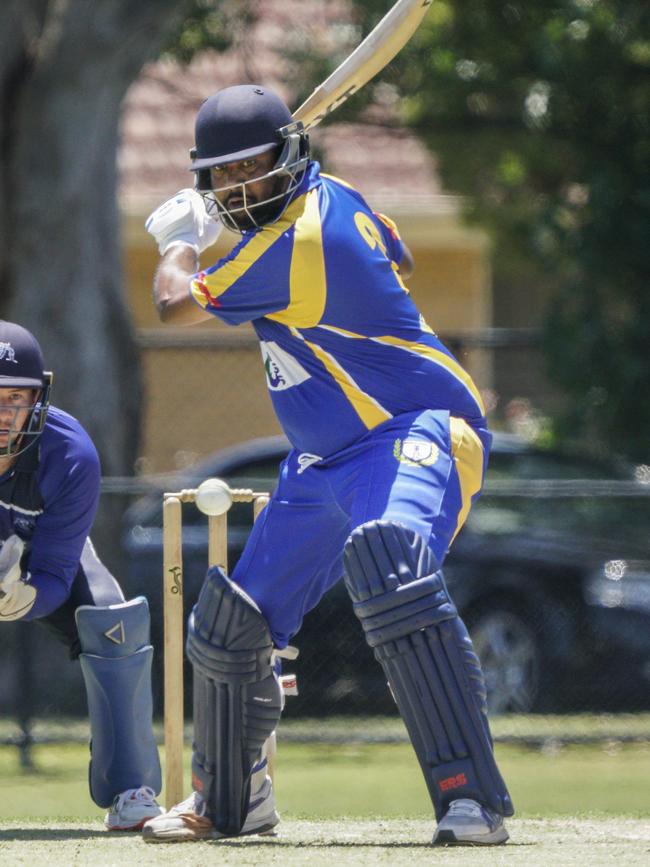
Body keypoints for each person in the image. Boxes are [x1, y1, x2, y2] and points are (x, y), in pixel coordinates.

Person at [143, 84, 513, 846]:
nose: (242, 190)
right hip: (321, 459)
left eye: (255, 172)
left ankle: (469, 800)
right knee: (230, 623)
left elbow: (171, 301)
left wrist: (180, 238)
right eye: (225, 177)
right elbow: (399, 246)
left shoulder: (299, 247)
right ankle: (230, 800)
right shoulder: (338, 196)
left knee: (392, 568)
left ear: (290, 156)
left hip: (414, 432)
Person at [0, 320, 163, 831]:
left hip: (39, 554)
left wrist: (23, 598)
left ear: (38, 398)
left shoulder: (70, 453)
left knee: (112, 619)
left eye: (15, 397)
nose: (3, 413)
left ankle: (130, 788)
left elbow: (53, 570)